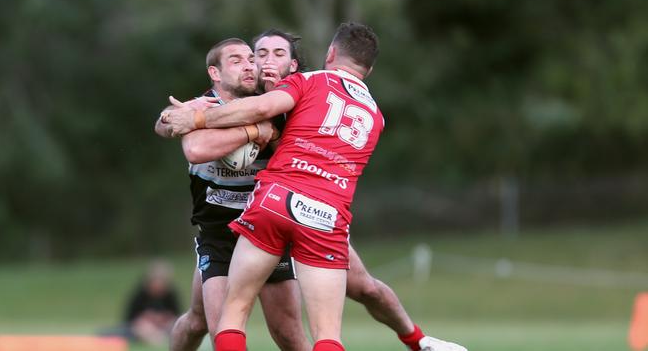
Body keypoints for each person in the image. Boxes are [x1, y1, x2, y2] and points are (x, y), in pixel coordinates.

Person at [174, 28, 467, 351]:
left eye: (278, 54)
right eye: (260, 55)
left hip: (272, 207)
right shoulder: (372, 114)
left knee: (360, 291)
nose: (266, 62)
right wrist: (236, 125)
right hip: (251, 222)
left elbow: (262, 113)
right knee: (205, 322)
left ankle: (419, 340)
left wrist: (250, 126)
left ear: (299, 64)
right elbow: (187, 137)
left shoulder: (302, 90)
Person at [155, 38, 310, 351]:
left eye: (250, 58)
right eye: (237, 60)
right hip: (219, 234)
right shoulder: (201, 107)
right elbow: (196, 148)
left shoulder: (269, 103)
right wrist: (254, 132)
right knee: (213, 330)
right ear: (215, 72)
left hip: (266, 230)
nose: (249, 65)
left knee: (289, 335)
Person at [121, 261, 181, 346]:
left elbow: (178, 315)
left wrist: (164, 318)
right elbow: (129, 318)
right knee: (143, 328)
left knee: (174, 325)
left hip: (165, 326)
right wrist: (147, 317)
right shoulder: (139, 294)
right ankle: (158, 340)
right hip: (144, 327)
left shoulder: (171, 294)